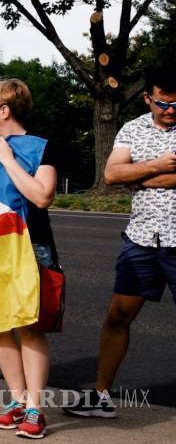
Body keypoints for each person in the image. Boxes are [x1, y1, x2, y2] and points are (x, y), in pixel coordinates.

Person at [63, 65, 176, 420]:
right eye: (163, 104)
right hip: (142, 239)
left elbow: (128, 175)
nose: (170, 110)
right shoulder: (132, 128)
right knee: (117, 316)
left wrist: (139, 176)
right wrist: (159, 166)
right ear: (147, 98)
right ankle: (100, 397)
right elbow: (112, 175)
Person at [0, 79, 58, 439]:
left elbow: (42, 196)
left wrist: (6, 160)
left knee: (28, 325)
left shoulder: (42, 148)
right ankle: (17, 401)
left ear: (4, 111)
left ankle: (35, 408)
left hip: (30, 246)